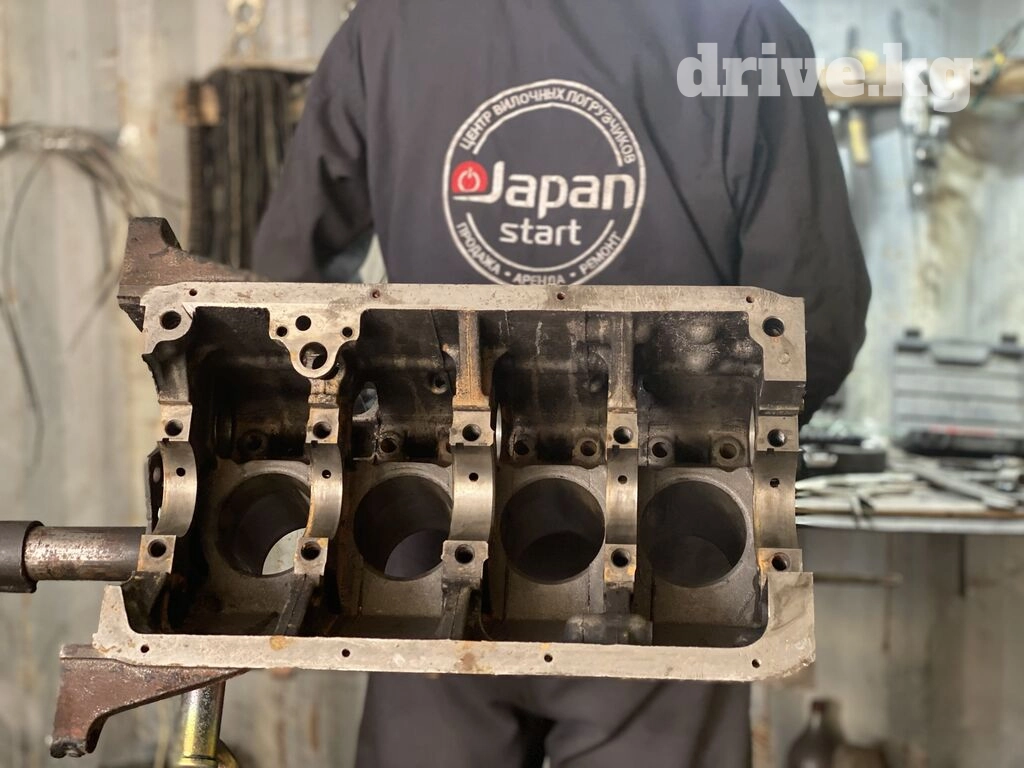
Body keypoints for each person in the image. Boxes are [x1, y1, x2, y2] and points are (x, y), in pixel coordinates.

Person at [253, 0, 871, 765]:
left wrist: (385, 433)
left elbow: (290, 299)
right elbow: (815, 323)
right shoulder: (746, 29)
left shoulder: (390, 28)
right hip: (671, 554)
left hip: (428, 538)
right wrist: (719, 448)